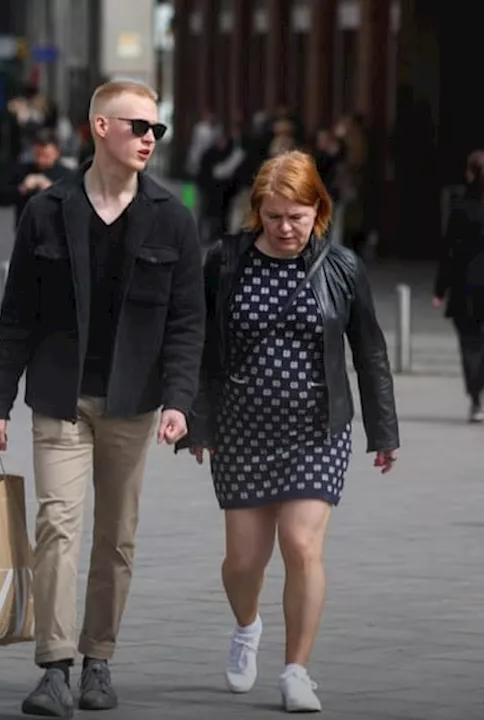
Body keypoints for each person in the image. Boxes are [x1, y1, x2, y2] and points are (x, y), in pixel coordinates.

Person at [0, 80, 204, 717]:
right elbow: (17, 314)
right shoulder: (47, 210)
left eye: (156, 130)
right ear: (100, 127)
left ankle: (98, 659)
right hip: (60, 399)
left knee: (117, 539)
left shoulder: (172, 217)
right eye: (138, 127)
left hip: (134, 403)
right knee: (56, 526)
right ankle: (54, 667)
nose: (149, 140)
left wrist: (179, 401)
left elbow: (188, 320)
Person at [180, 150, 399, 713]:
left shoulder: (342, 267)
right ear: (257, 211)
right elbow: (199, 346)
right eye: (274, 216)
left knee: (301, 545)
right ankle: (247, 625)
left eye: (297, 217)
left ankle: (297, 670)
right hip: (241, 430)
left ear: (318, 210)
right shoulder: (225, 263)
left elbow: (369, 351)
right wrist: (196, 420)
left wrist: (384, 431)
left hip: (317, 429)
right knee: (243, 563)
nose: (285, 229)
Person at [434, 150, 484, 423]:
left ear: (469, 174)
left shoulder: (460, 209)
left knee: (469, 343)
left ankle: (475, 399)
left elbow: (448, 252)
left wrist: (440, 290)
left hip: (465, 287)